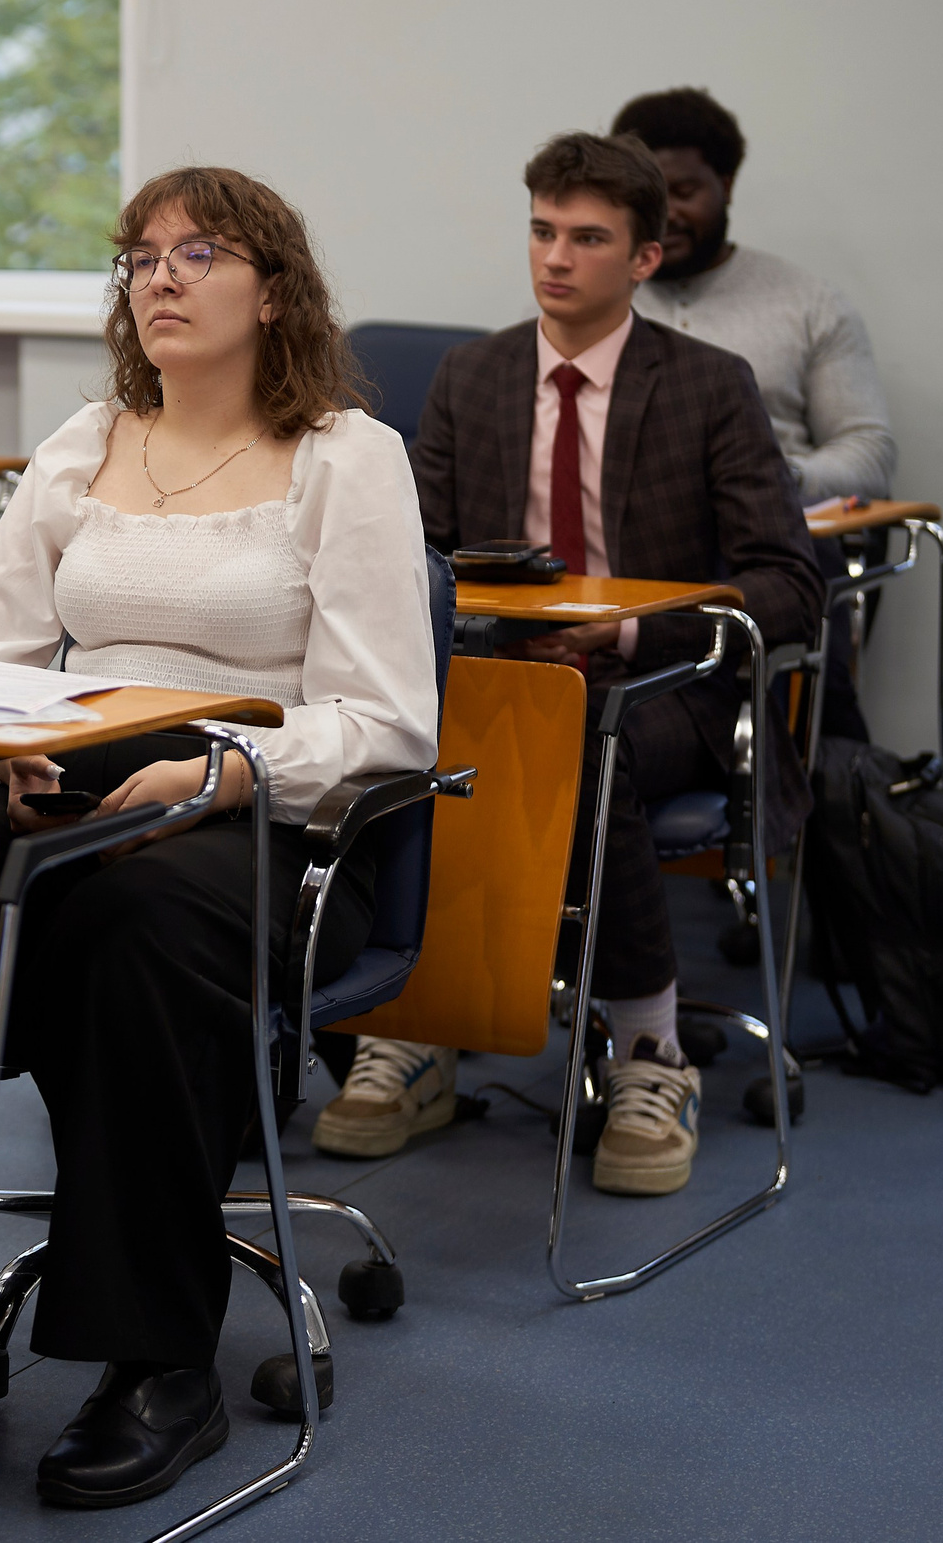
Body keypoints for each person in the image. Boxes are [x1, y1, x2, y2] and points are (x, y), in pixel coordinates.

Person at [0, 167, 439, 1510]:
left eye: (201, 251)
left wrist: (225, 764)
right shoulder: (84, 441)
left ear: (271, 290)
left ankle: (160, 1363)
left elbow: (386, 721)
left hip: (268, 816)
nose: (161, 275)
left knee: (133, 921)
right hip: (74, 778)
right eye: (141, 256)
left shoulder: (348, 456)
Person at [320, 134, 821, 1194]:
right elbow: (420, 558)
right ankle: (417, 1029)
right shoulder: (477, 374)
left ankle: (650, 1050)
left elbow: (788, 582)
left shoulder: (708, 386)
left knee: (582, 745)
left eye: (588, 239)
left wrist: (634, 631)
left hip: (661, 689)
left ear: (643, 260)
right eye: (543, 232)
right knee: (394, 735)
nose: (556, 258)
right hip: (502, 672)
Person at [615, 87, 897, 503]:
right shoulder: (586, 299)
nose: (665, 216)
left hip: (765, 536)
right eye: (649, 198)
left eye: (685, 192)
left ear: (725, 186)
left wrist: (782, 479)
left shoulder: (809, 303)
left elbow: (868, 450)